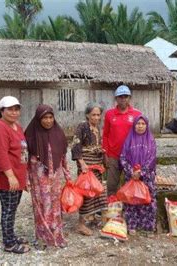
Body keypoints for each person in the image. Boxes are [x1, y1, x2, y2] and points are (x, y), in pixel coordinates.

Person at [0, 96, 30, 254]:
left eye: (16, 109)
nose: (14, 112)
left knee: (13, 207)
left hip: (17, 176)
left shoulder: (16, 126)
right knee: (8, 209)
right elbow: (0, 155)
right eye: (10, 109)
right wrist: (10, 176)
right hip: (7, 178)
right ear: (2, 111)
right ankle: (9, 243)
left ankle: (11, 235)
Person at [25, 104, 71, 248]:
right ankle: (43, 238)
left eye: (51, 117)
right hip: (38, 179)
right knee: (41, 205)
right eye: (44, 118)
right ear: (38, 119)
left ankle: (57, 235)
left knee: (55, 204)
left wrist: (67, 175)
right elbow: (24, 159)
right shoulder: (30, 134)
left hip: (55, 178)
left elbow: (63, 156)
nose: (48, 121)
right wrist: (25, 179)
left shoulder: (58, 133)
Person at [71, 102, 108, 236]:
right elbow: (75, 145)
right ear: (87, 115)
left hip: (97, 166)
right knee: (86, 192)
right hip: (87, 166)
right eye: (93, 115)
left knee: (96, 191)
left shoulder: (98, 128)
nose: (96, 117)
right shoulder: (82, 127)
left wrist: (103, 160)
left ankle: (91, 217)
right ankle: (81, 224)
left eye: (98, 115)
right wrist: (81, 163)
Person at [119, 115, 157, 237]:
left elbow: (152, 158)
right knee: (131, 200)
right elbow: (123, 157)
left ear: (146, 126)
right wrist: (131, 172)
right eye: (138, 124)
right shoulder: (129, 140)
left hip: (146, 176)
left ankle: (148, 227)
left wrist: (141, 172)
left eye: (143, 124)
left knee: (148, 200)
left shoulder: (150, 140)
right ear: (134, 125)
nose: (140, 126)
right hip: (131, 176)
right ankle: (132, 225)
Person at [102, 85, 142, 196]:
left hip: (131, 156)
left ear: (129, 98)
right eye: (120, 97)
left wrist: (139, 155)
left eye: (125, 96)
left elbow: (141, 135)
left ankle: (127, 209)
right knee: (111, 185)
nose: (123, 99)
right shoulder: (109, 114)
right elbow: (105, 135)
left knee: (130, 183)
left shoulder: (137, 114)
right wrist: (105, 153)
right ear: (116, 98)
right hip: (113, 155)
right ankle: (112, 209)